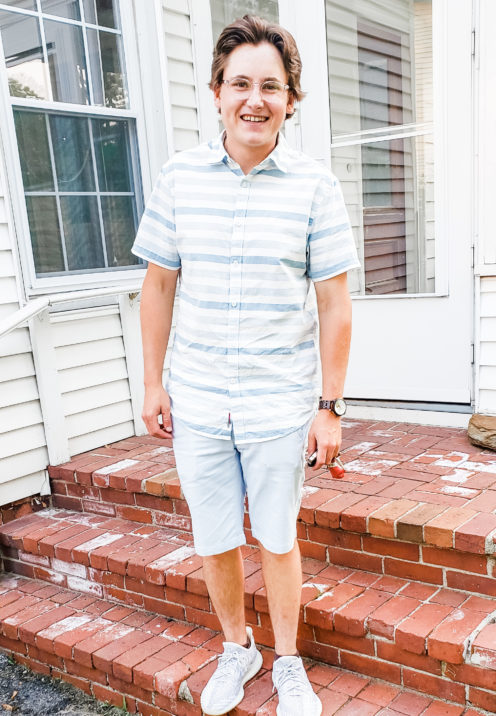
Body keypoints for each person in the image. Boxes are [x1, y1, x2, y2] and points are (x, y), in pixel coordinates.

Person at [132, 14, 359, 716]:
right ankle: (238, 647)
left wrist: (329, 407)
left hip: (278, 401)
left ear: (291, 99)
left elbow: (334, 305)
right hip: (198, 398)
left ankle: (288, 660)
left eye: (270, 86)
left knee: (279, 537)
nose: (254, 99)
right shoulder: (179, 178)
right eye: (240, 84)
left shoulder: (315, 187)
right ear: (216, 92)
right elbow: (158, 286)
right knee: (215, 537)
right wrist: (152, 381)